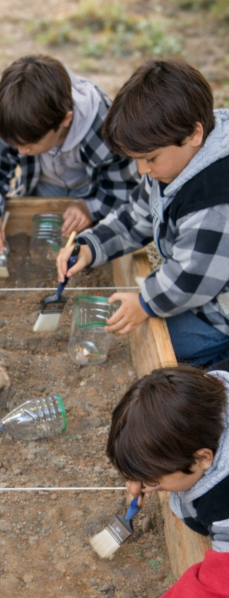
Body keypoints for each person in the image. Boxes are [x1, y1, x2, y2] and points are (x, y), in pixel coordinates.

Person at [56, 58, 229, 368]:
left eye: (149, 158)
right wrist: (90, 245)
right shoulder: (174, 163)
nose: (141, 170)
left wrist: (145, 302)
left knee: (155, 337)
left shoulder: (214, 201)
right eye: (136, 159)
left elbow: (190, 277)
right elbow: (136, 217)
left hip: (221, 310)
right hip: (203, 283)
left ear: (194, 134)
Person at [95, 366, 229, 598]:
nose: (143, 486)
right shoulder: (209, 401)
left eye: (153, 479)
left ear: (203, 458)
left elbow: (218, 589)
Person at [0, 54, 139, 253]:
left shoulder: (105, 129)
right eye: (15, 144)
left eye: (31, 144)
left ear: (65, 119)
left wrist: (90, 209)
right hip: (42, 188)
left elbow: (125, 188)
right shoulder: (11, 119)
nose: (21, 151)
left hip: (92, 193)